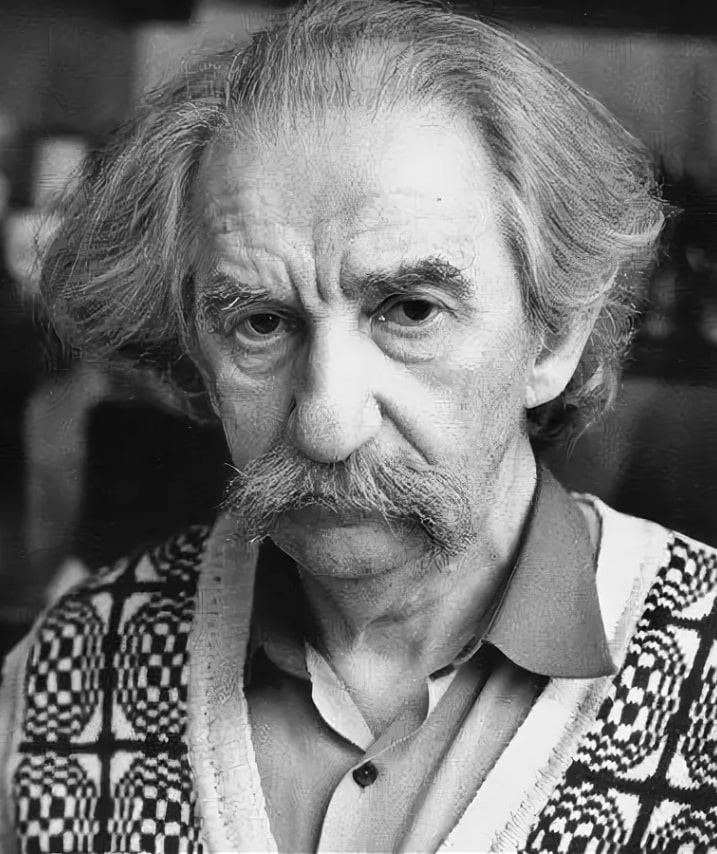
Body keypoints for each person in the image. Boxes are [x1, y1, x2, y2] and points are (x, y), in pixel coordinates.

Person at [1, 1, 713, 851]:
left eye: (410, 310)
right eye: (260, 324)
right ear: (196, 355)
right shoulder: (65, 672)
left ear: (553, 336)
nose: (327, 425)